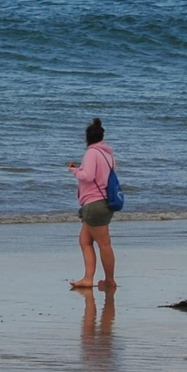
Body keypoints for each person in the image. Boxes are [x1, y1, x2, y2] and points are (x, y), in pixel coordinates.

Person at [66, 118, 117, 290]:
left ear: (87, 138)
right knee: (85, 240)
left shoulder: (91, 153)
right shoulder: (108, 155)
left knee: (104, 244)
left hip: (93, 204)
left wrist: (74, 170)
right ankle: (88, 278)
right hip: (104, 202)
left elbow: (87, 176)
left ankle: (109, 280)